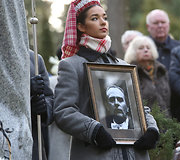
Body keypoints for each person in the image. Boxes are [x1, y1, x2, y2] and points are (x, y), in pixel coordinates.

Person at [53, 0, 159, 159]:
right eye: (94, 18)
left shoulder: (123, 66)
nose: (103, 22)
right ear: (81, 26)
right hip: (96, 153)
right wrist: (94, 130)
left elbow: (138, 108)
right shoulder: (71, 65)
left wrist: (151, 129)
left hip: (134, 154)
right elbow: (63, 111)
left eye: (105, 17)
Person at [124, 36, 171, 117]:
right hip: (143, 120)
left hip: (165, 120)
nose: (145, 50)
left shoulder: (161, 70)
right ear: (133, 52)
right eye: (141, 48)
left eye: (148, 48)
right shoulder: (129, 72)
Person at [30, 50, 54, 160]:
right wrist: (26, 88)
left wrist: (43, 108)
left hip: (32, 144)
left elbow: (49, 97)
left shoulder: (34, 58)